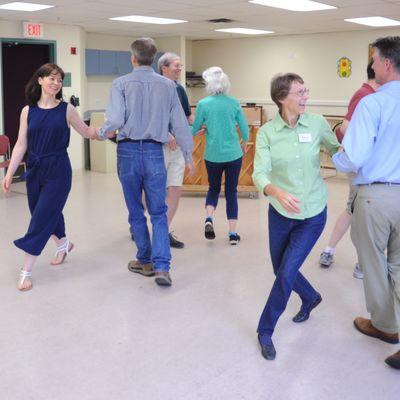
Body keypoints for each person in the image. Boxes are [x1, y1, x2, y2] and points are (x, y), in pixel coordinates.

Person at [252, 73, 340, 360]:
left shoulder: (316, 124)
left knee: (286, 272)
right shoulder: (267, 133)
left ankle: (265, 330)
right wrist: (275, 192)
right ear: (282, 98)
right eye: (300, 92)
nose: (306, 97)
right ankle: (311, 297)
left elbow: (337, 151)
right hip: (280, 212)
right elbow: (259, 173)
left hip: (313, 213)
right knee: (281, 268)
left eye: (306, 91)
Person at [98, 38, 194, 287]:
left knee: (135, 210)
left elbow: (116, 119)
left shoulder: (120, 84)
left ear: (132, 58)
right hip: (154, 152)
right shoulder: (168, 86)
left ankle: (144, 260)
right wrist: (188, 154)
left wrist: (100, 132)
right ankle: (163, 267)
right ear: (153, 59)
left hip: (128, 151)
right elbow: (180, 124)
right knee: (159, 212)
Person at [333, 36, 400, 370]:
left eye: (374, 59)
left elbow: (354, 156)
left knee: (374, 264)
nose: (371, 65)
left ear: (387, 63)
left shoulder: (373, 103)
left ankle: (386, 326)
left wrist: (334, 157)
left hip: (376, 196)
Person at [1, 63, 98, 291]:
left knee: (41, 218)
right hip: (35, 169)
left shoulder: (66, 109)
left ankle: (26, 272)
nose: (56, 83)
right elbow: (21, 144)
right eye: (51, 78)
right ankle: (64, 244)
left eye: (59, 80)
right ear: (40, 80)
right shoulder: (28, 111)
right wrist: (10, 173)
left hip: (58, 170)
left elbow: (86, 131)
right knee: (43, 212)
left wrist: (104, 132)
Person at [319, 61, 379, 279]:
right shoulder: (364, 94)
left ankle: (329, 250)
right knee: (358, 210)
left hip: (371, 168)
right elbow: (344, 129)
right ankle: (358, 260)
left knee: (354, 209)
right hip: (361, 167)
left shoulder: (376, 96)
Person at [191, 67, 249, 245]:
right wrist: (244, 143)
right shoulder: (234, 103)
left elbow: (194, 129)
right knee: (231, 192)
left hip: (213, 155)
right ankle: (232, 234)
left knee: (213, 189)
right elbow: (244, 129)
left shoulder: (203, 104)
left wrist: (201, 130)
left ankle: (209, 218)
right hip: (233, 154)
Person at [158, 52, 192, 249]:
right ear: (164, 67)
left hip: (177, 148)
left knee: (175, 188)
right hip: (159, 147)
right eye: (176, 66)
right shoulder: (154, 88)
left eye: (181, 66)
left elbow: (186, 117)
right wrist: (166, 134)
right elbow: (151, 118)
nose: (180, 69)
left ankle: (164, 230)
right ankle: (138, 222)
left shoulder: (180, 89)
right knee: (154, 190)